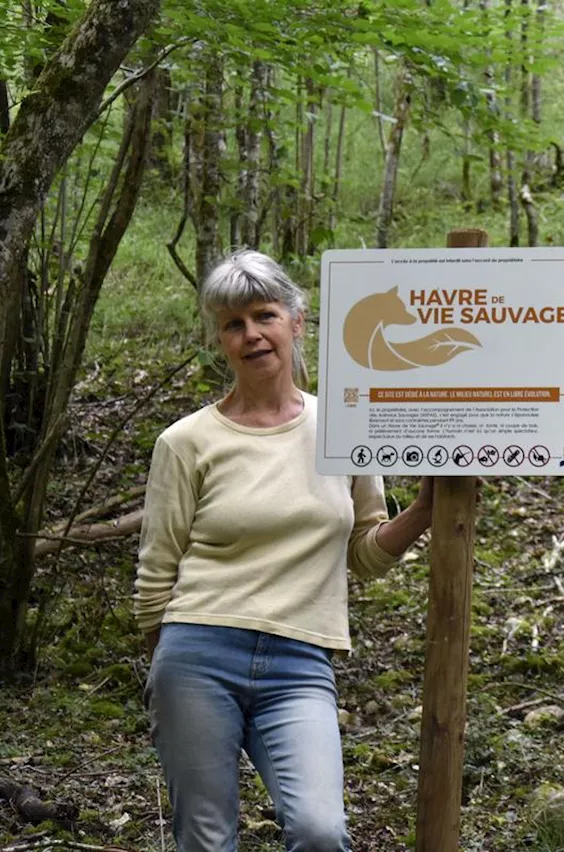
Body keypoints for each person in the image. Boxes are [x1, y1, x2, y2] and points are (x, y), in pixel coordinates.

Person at [134, 250, 435, 851]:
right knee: (207, 836)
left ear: (297, 321)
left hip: (301, 662)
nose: (251, 335)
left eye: (264, 316)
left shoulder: (346, 426)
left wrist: (427, 509)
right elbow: (156, 573)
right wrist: (166, 659)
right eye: (232, 324)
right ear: (220, 339)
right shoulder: (186, 442)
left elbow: (366, 552)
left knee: (321, 832)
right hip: (199, 650)